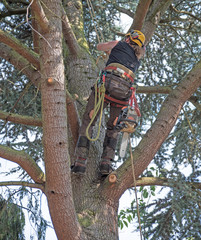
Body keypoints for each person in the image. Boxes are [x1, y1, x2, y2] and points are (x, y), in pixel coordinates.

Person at [71, 30, 146, 175]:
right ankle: (106, 164)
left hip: (107, 85)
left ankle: (80, 161)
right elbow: (122, 62)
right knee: (113, 127)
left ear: (128, 39)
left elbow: (100, 46)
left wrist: (111, 48)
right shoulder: (137, 60)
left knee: (89, 120)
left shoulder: (119, 44)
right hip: (123, 93)